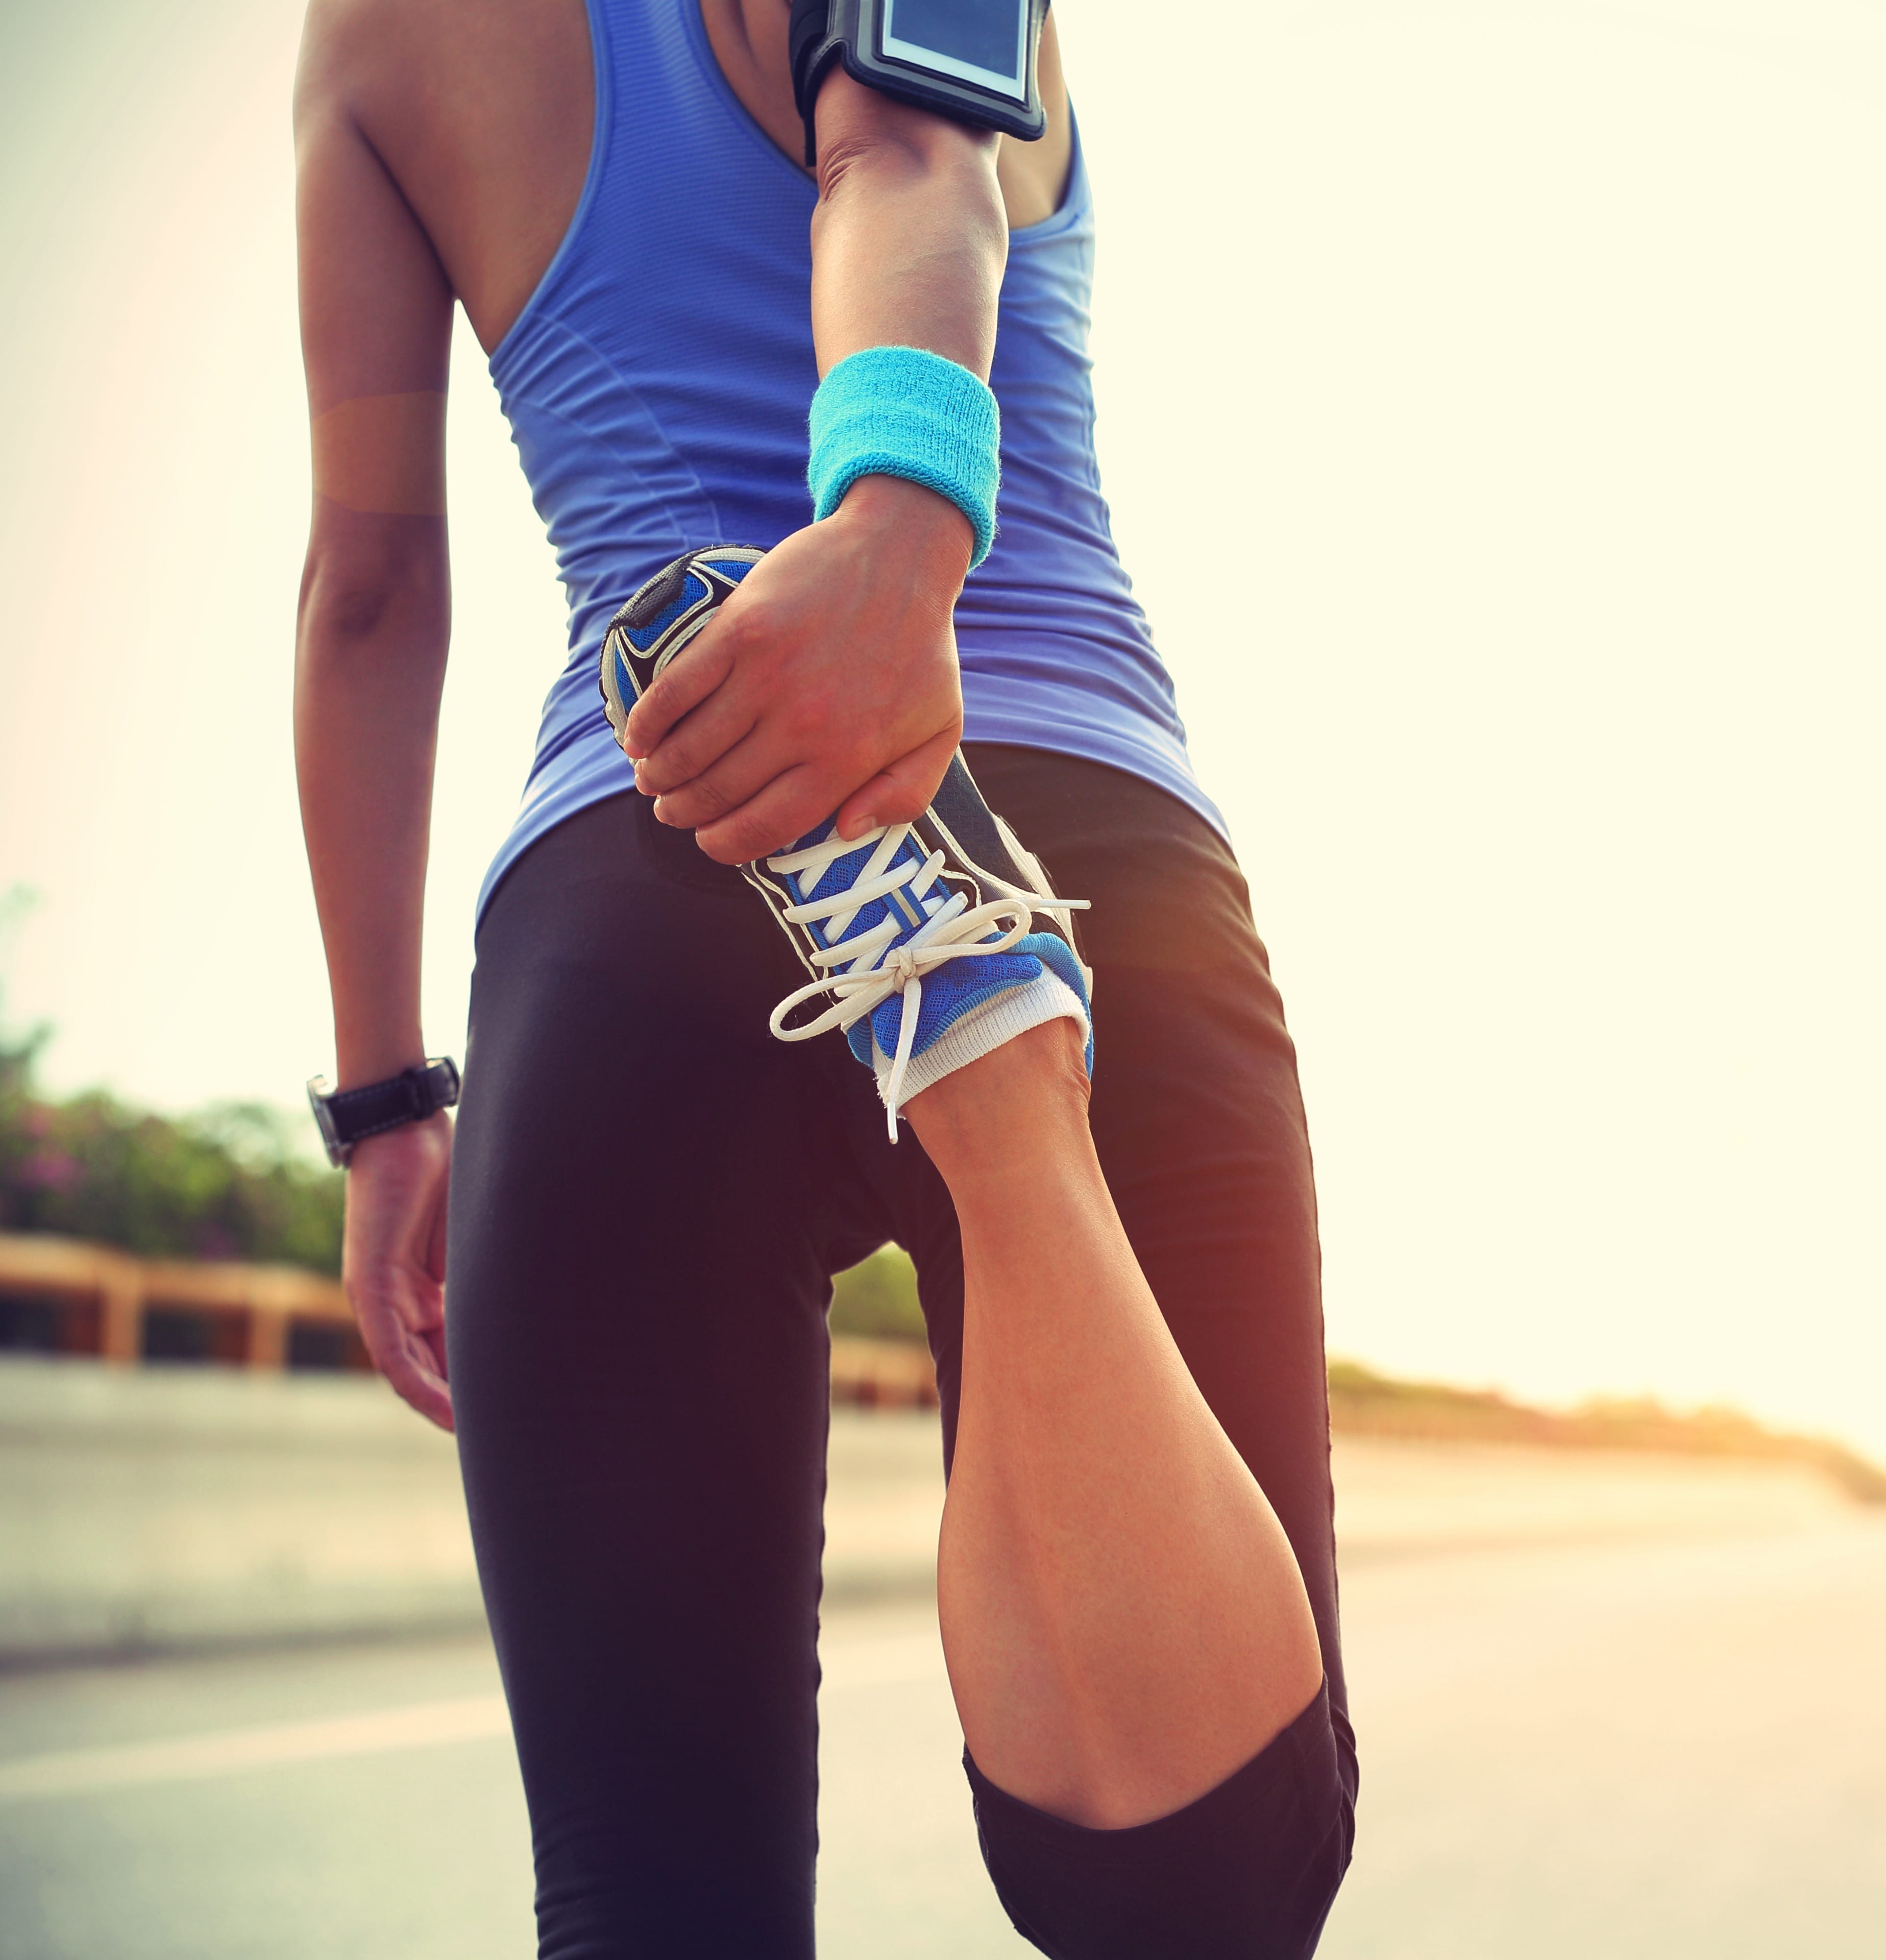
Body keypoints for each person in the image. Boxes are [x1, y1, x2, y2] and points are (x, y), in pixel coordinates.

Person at [290, 3, 1354, 1953]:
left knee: (649, 1899)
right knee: (1214, 1879)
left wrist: (385, 1108)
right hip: (1045, 828)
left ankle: (979, 1054)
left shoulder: (371, 40)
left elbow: (366, 584)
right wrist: (893, 536)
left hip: (632, 864)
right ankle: (1000, 1088)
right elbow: (908, 158)